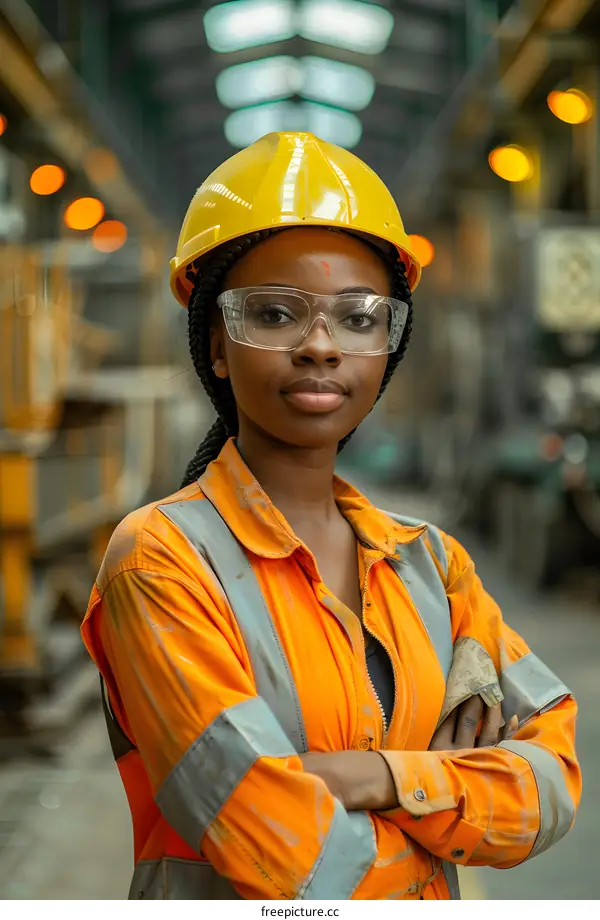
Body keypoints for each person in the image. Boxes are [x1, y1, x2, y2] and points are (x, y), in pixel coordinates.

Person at [81, 132, 581, 901]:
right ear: (216, 344)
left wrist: (374, 776)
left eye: (357, 318)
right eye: (276, 314)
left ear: (388, 344)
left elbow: (551, 788)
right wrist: (447, 787)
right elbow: (284, 856)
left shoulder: (432, 564)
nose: (320, 347)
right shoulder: (160, 560)